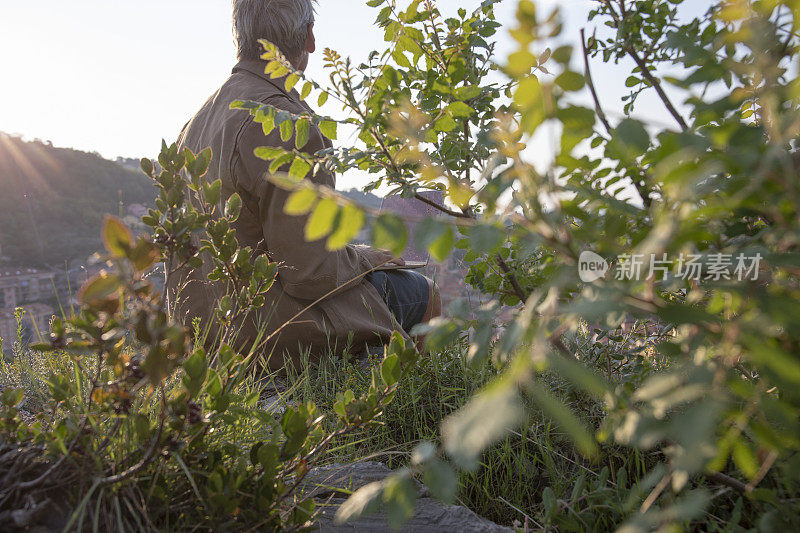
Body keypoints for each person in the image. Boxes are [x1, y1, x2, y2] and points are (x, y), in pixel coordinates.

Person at [170, 0, 441, 369]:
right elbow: (311, 274)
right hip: (270, 332)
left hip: (208, 332)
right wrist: (364, 258)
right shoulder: (289, 125)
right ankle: (415, 411)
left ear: (240, 35)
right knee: (425, 294)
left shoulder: (196, 122)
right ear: (309, 38)